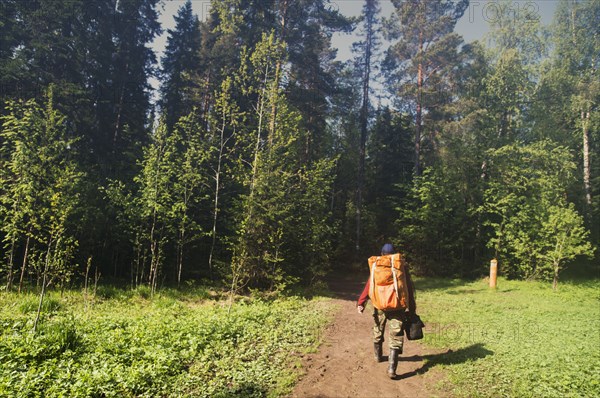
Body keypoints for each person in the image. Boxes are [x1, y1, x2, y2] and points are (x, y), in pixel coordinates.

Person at [357, 243, 416, 379]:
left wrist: (361, 302)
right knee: (396, 335)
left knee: (378, 330)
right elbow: (408, 289)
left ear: (382, 254)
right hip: (398, 307)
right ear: (394, 253)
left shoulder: (377, 266)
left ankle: (378, 356)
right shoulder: (400, 266)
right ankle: (391, 369)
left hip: (379, 306)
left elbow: (369, 285)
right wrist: (411, 309)